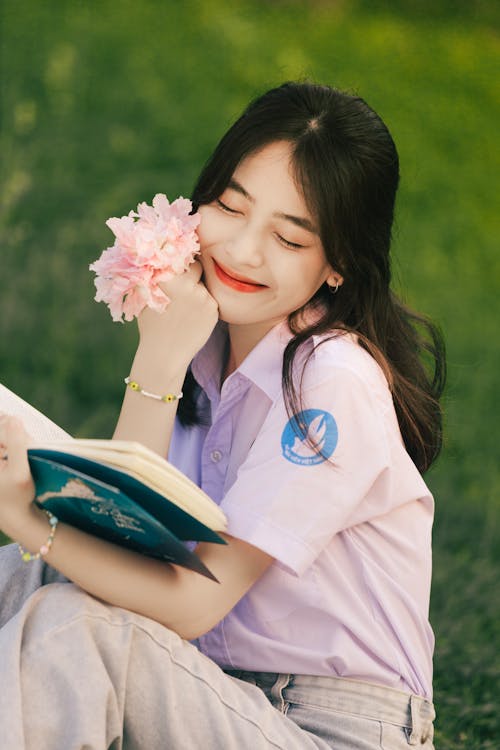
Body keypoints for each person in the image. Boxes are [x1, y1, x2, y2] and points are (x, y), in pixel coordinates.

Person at [0, 81, 445, 749]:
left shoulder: (333, 381)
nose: (241, 250)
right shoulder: (202, 344)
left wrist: (17, 511)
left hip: (327, 730)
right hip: (214, 688)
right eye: (231, 208)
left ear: (339, 263)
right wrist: (164, 351)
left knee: (77, 624)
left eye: (289, 238)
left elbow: (193, 601)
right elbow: (129, 545)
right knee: (21, 578)